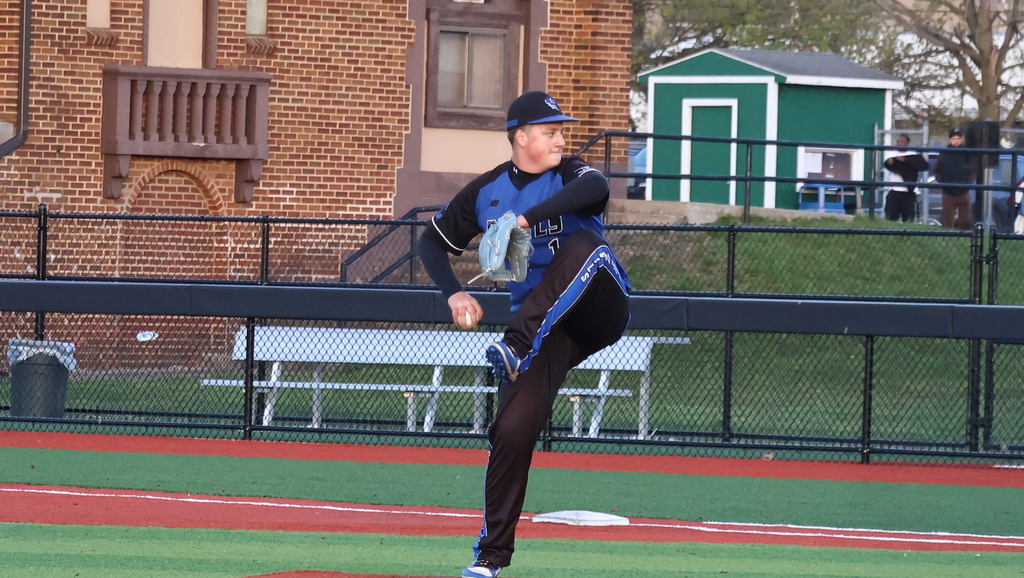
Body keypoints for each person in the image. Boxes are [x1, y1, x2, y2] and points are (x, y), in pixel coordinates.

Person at [416, 90, 631, 578]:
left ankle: (513, 345)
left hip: (597, 307)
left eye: (561, 131)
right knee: (511, 432)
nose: (561, 138)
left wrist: (525, 218)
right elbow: (431, 240)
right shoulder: (487, 190)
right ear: (521, 137)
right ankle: (490, 558)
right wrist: (454, 293)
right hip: (544, 333)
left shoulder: (571, 173)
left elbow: (595, 188)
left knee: (585, 243)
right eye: (550, 131)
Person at [933, 127, 976, 230]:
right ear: (950, 140)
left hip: (963, 191)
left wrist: (967, 183)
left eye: (958, 138)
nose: (956, 141)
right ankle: (947, 238)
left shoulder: (967, 154)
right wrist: (943, 183)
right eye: (954, 138)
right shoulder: (943, 154)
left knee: (966, 219)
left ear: (961, 140)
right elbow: (937, 171)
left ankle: (965, 238)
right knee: (947, 220)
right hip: (948, 192)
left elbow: (973, 171)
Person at [882, 133, 929, 222]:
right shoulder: (891, 154)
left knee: (908, 218)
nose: (900, 144)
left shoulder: (913, 155)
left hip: (909, 191)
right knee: (890, 217)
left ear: (908, 143)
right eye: (898, 142)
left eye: (903, 142)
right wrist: (891, 163)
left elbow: (923, 166)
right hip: (894, 190)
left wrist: (905, 160)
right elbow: (890, 165)